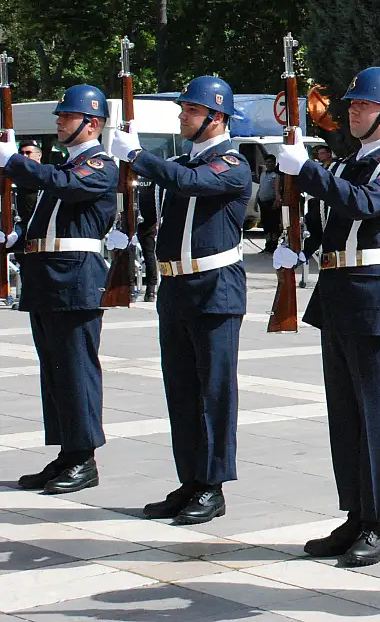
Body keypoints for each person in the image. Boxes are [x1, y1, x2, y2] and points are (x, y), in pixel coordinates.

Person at [273, 66, 380, 567]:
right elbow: (326, 221)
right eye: (352, 105)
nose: (352, 112)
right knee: (346, 415)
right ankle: (355, 513)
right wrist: (295, 248)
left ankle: (378, 522)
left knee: (378, 416)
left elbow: (365, 205)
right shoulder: (343, 166)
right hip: (338, 296)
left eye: (362, 106)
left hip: (376, 299)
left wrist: (307, 171)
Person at [109, 76, 252, 524]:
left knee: (213, 393)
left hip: (214, 289)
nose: (182, 116)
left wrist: (135, 154)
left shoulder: (233, 163)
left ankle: (212, 486)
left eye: (190, 110)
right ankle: (189, 480)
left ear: (216, 115)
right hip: (175, 289)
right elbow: (162, 197)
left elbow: (189, 183)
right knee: (182, 392)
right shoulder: (180, 162)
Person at [0, 87, 116, 494]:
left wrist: (13, 162)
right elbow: (52, 220)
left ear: (93, 124)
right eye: (61, 115)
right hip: (48, 279)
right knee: (54, 373)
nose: (60, 122)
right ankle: (68, 451)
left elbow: (65, 188)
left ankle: (84, 458)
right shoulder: (65, 166)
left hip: (75, 281)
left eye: (68, 116)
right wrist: (17, 239)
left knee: (77, 371)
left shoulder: (99, 164)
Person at [257, 154, 281, 254]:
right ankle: (267, 245)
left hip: (272, 203)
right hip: (262, 203)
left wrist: (277, 201)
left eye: (270, 162)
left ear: (274, 163)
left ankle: (273, 245)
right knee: (265, 225)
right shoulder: (263, 174)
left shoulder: (276, 175)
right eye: (267, 162)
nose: (268, 164)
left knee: (274, 225)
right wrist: (256, 201)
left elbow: (277, 190)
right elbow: (260, 187)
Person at [15, 141, 42, 227]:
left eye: (28, 153)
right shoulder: (15, 177)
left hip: (40, 225)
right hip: (19, 224)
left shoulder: (47, 175)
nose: (24, 156)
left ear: (39, 155)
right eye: (21, 153)